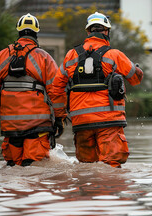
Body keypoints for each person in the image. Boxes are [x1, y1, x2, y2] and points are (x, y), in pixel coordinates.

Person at [51, 12, 143, 168]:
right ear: (106, 31)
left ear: (88, 32)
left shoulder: (71, 56)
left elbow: (55, 88)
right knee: (111, 168)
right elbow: (136, 78)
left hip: (81, 124)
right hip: (109, 122)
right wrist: (136, 69)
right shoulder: (114, 55)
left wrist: (60, 116)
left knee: (87, 168)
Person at [0, 13, 64, 167]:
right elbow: (56, 91)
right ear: (36, 33)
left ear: (18, 31)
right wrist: (60, 118)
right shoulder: (44, 58)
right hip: (37, 126)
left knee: (13, 169)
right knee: (33, 171)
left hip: (10, 127)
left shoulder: (1, 56)